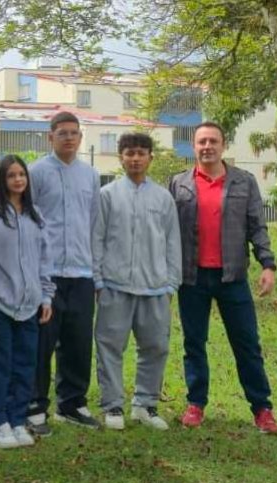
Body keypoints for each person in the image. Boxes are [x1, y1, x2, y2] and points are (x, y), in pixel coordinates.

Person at [169, 122, 277, 434]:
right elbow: (167, 232)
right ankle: (196, 403)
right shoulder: (179, 184)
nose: (208, 146)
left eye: (213, 141)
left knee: (246, 344)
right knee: (194, 343)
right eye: (202, 141)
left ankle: (262, 408)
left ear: (223, 145)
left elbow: (258, 226)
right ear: (194, 146)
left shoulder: (243, 182)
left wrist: (267, 265)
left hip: (232, 277)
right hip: (191, 278)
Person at [92, 132, 180, 431]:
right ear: (121, 157)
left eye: (141, 153)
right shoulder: (107, 195)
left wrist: (171, 284)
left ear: (150, 157)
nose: (135, 158)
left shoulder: (163, 198)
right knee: (110, 347)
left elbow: (172, 242)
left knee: (155, 346)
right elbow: (97, 239)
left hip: (155, 287)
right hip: (115, 286)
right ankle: (112, 404)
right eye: (129, 153)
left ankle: (145, 403)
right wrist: (98, 281)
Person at [28, 111, 102, 432]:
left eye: (74, 133)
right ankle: (34, 406)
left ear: (80, 138)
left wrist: (96, 273)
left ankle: (72, 404)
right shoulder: (36, 173)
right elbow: (26, 222)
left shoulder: (90, 175)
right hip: (47, 274)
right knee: (42, 342)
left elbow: (94, 224)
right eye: (62, 133)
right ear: (50, 137)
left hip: (81, 273)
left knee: (78, 342)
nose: (69, 138)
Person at [0, 155, 55, 449]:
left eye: (22, 174)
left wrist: (46, 295)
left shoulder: (36, 216)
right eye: (11, 175)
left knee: (25, 366)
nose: (18, 180)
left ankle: (18, 419)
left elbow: (45, 260)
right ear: (2, 179)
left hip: (31, 305)